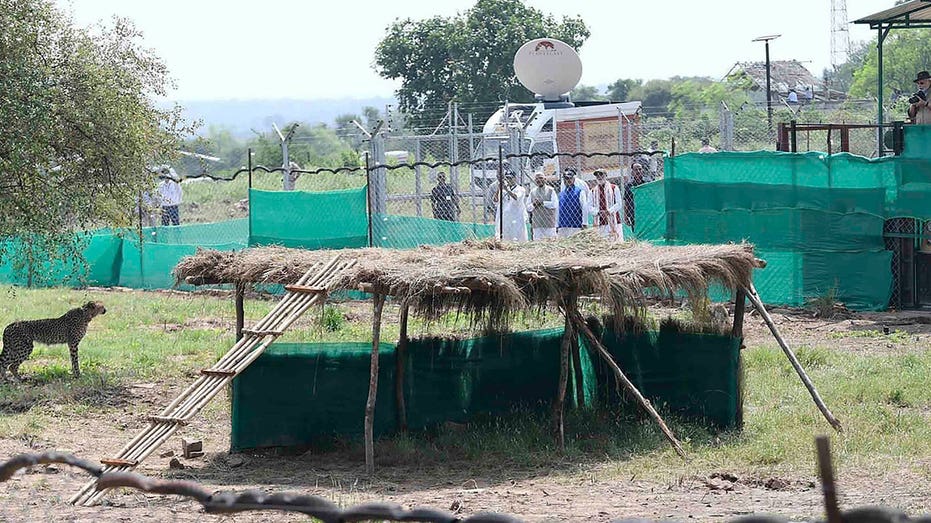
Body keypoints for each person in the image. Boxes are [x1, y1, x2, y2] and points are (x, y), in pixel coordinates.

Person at [588, 170, 624, 241]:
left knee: (616, 242)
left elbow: (619, 204)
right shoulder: (592, 191)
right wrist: (598, 212)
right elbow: (589, 206)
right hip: (600, 222)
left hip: (614, 221)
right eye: (597, 175)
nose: (599, 177)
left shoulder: (614, 188)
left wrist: (609, 211)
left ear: (606, 175)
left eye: (601, 174)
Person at [493, 172, 528, 242]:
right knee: (505, 236)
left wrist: (507, 190)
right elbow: (495, 200)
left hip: (517, 216)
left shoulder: (520, 189)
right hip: (506, 216)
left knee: (518, 237)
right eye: (506, 178)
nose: (508, 180)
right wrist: (498, 189)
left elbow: (516, 197)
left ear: (515, 178)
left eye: (510, 178)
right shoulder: (503, 190)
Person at [556, 168, 589, 238]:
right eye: (566, 178)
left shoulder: (580, 192)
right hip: (563, 225)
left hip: (576, 224)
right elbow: (558, 210)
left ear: (573, 179)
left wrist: (585, 222)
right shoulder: (561, 194)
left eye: (570, 178)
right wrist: (557, 225)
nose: (568, 180)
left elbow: (584, 207)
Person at [526, 171, 558, 240]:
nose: (539, 180)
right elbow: (528, 208)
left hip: (549, 224)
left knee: (550, 243)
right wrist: (534, 204)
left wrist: (543, 203)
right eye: (537, 179)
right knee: (538, 244)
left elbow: (554, 204)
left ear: (545, 179)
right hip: (537, 224)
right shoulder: (532, 192)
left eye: (541, 178)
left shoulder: (551, 190)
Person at [624, 163, 647, 228]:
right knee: (636, 232)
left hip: (646, 213)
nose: (638, 171)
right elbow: (626, 202)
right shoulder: (629, 185)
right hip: (633, 214)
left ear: (642, 170)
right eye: (636, 170)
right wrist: (625, 216)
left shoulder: (647, 183)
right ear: (632, 172)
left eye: (640, 169)